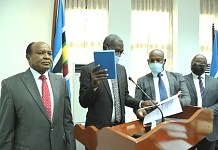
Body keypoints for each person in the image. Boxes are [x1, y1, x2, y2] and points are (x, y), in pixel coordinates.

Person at [0, 42, 76, 150]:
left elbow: (67, 121)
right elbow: (6, 129)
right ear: (28, 58)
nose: (46, 57)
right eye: (41, 53)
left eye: (49, 54)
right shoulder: (11, 85)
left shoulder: (61, 82)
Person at [79, 34, 156, 131]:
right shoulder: (89, 70)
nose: (119, 55)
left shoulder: (121, 70)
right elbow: (83, 102)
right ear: (105, 48)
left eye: (121, 52)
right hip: (97, 129)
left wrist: (141, 103)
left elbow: (124, 97)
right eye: (116, 51)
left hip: (119, 127)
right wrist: (93, 86)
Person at [134, 49, 191, 119]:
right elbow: (137, 104)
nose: (155, 63)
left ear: (164, 61)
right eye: (152, 61)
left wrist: (180, 102)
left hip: (174, 119)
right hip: (151, 120)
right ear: (148, 62)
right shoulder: (142, 81)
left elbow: (187, 98)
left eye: (158, 60)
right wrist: (139, 111)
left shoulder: (177, 77)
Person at [184, 54, 218, 150]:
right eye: (195, 62)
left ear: (207, 66)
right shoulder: (182, 81)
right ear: (191, 64)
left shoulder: (216, 82)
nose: (197, 64)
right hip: (188, 129)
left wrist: (206, 112)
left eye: (201, 63)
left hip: (209, 129)